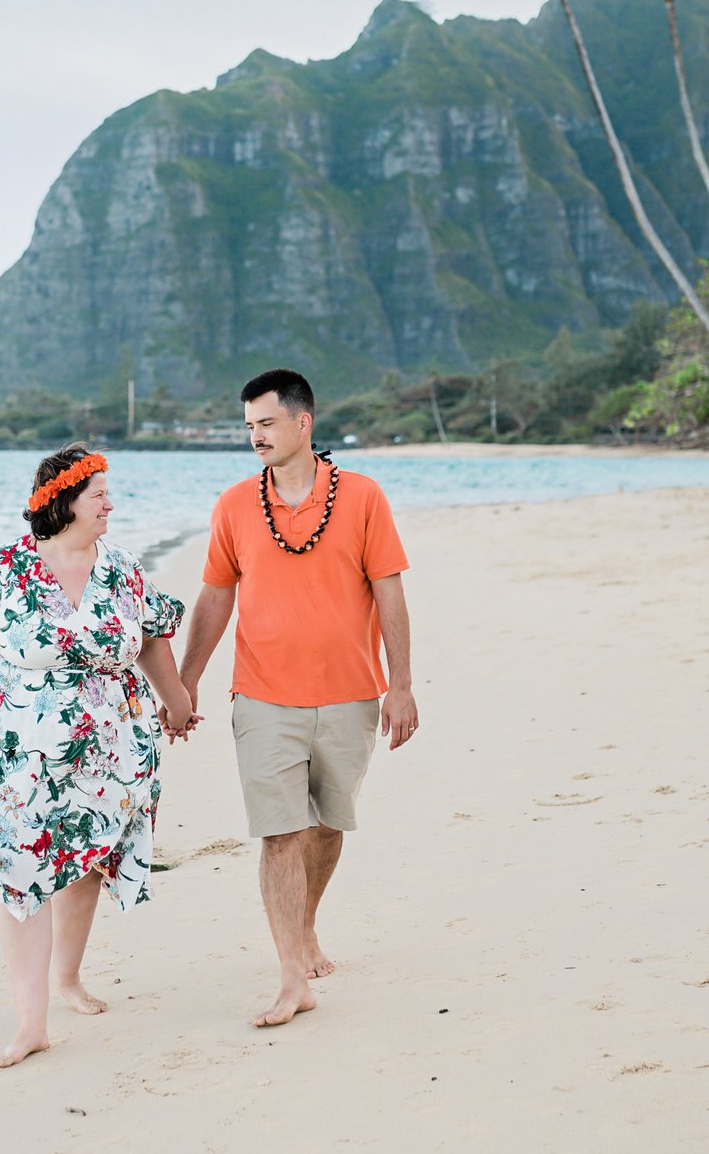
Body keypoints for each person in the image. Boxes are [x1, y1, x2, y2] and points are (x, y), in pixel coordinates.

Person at [0, 445, 197, 1068]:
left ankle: (68, 977)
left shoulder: (121, 569)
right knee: (21, 877)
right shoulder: (6, 570)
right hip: (9, 758)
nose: (109, 505)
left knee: (87, 860)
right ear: (63, 501)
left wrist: (176, 702)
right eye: (99, 494)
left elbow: (151, 639)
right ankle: (31, 1021)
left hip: (104, 753)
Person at [178, 367, 419, 1028]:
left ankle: (306, 926)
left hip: (349, 693)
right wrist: (185, 678)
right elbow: (216, 595)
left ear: (302, 422)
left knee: (327, 826)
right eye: (248, 424)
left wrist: (400, 683)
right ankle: (291, 975)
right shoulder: (232, 505)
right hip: (262, 696)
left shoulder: (364, 497)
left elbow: (389, 591)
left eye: (266, 422)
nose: (254, 435)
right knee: (281, 833)